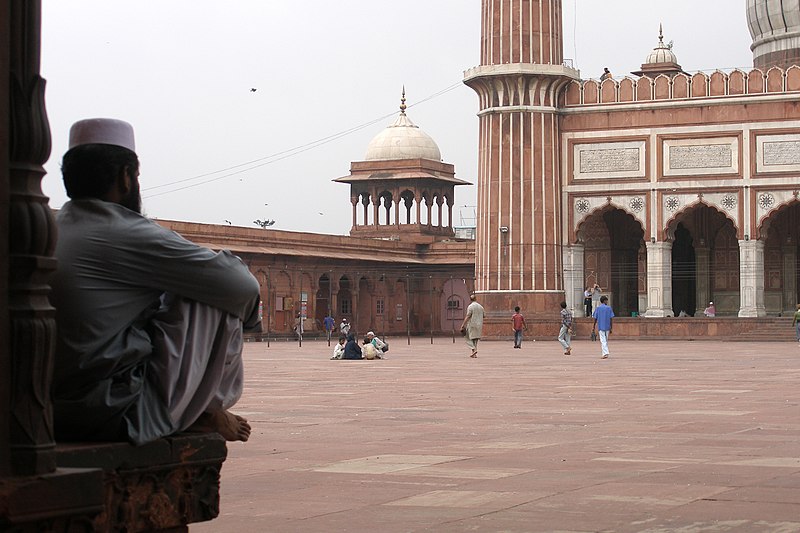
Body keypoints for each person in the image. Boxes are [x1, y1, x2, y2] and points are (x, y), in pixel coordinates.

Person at [49, 118, 258, 445]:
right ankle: (201, 410)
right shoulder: (126, 232)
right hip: (107, 411)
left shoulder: (50, 227)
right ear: (126, 178)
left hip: (44, 406)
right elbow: (243, 287)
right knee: (208, 292)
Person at [460, 293, 485, 358]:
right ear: (476, 299)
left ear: (470, 300)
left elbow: (468, 316)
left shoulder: (470, 306)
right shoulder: (481, 307)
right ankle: (474, 353)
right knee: (475, 338)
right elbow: (484, 315)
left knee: (467, 337)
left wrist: (463, 324)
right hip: (479, 325)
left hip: (472, 324)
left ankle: (473, 348)